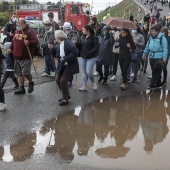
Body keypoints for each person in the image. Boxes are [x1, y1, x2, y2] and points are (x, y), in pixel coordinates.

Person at [8, 18, 38, 94]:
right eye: (17, 24)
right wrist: (10, 48)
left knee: (25, 72)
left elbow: (36, 41)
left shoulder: (30, 31)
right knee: (19, 73)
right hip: (16, 56)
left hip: (26, 56)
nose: (17, 26)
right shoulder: (17, 31)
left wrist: (29, 42)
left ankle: (31, 82)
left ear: (23, 24)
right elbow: (13, 41)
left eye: (19, 24)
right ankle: (21, 88)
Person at [51, 30, 79, 106]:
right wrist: (52, 48)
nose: (55, 38)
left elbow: (76, 52)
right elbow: (56, 53)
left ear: (58, 37)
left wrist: (65, 58)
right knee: (57, 79)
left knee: (63, 81)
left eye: (56, 36)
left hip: (69, 65)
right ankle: (66, 95)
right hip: (62, 65)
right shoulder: (59, 44)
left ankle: (65, 99)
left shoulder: (68, 43)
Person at [142, 24, 168, 90]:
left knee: (155, 71)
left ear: (157, 31)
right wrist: (144, 54)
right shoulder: (151, 38)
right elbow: (147, 46)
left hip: (159, 57)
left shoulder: (162, 37)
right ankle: (158, 84)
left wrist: (164, 57)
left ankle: (152, 84)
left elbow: (165, 48)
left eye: (153, 31)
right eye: (151, 31)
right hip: (151, 56)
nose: (152, 32)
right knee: (155, 70)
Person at [78, 25, 99, 91]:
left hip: (91, 57)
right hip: (83, 56)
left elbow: (96, 47)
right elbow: (80, 45)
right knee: (84, 72)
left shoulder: (94, 38)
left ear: (88, 30)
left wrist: (89, 52)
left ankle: (93, 83)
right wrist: (75, 43)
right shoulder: (82, 36)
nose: (82, 31)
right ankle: (84, 86)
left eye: (84, 30)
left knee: (89, 72)